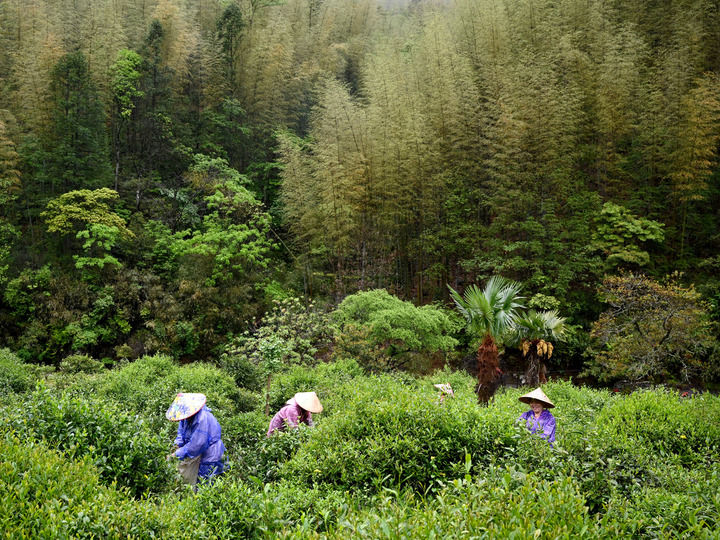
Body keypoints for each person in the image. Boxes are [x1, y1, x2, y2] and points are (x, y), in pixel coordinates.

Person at [166, 392, 225, 484]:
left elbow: (197, 444)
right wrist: (176, 446)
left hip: (210, 454)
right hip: (197, 452)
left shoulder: (202, 419)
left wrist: (177, 454)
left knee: (205, 482)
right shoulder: (185, 418)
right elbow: (181, 434)